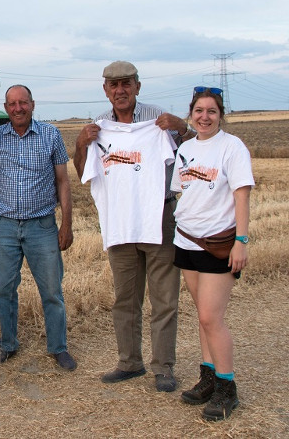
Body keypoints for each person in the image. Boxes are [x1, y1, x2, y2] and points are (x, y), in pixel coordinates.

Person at [74, 60, 194, 392]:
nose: (120, 90)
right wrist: (81, 144)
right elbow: (84, 173)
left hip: (159, 218)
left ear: (137, 87)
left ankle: (163, 366)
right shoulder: (99, 128)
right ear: (105, 90)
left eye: (126, 83)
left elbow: (198, 153)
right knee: (125, 298)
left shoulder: (159, 121)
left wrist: (183, 129)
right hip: (121, 222)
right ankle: (129, 362)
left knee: (164, 297)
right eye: (114, 85)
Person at [171, 87, 253, 421]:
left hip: (218, 243)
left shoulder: (232, 147)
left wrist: (242, 240)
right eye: (199, 111)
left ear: (220, 115)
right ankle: (207, 377)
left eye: (212, 111)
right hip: (186, 240)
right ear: (191, 113)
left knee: (210, 318)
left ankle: (226, 388)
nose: (204, 117)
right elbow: (183, 191)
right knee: (202, 314)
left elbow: (242, 196)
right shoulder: (186, 148)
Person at [0, 84, 77, 371]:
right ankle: (8, 344)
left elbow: (63, 181)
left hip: (42, 226)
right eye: (12, 103)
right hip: (5, 227)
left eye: (23, 102)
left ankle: (58, 347)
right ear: (6, 107)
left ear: (33, 105)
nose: (18, 108)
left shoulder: (50, 134)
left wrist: (67, 224)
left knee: (51, 291)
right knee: (2, 290)